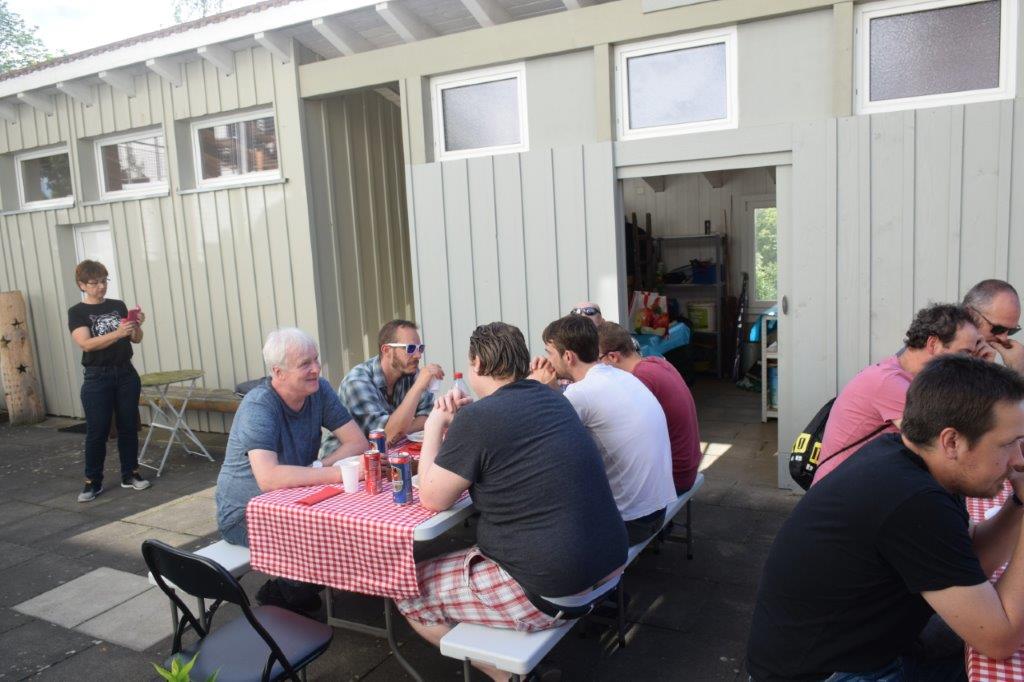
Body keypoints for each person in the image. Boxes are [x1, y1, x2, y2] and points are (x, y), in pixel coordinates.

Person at [747, 355, 1024, 682]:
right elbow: (999, 640)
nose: (1018, 459)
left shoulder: (906, 456)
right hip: (827, 674)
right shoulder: (912, 499)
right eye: (1008, 444)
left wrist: (1019, 502)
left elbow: (971, 559)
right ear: (952, 442)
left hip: (853, 651)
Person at [398, 322, 627, 682]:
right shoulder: (555, 398)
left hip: (555, 586)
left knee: (407, 588)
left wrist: (433, 429)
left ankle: (505, 676)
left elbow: (431, 496)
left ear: (476, 363)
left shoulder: (479, 417)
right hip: (609, 566)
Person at [215, 328, 369, 612]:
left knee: (352, 531)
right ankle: (279, 595)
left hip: (295, 502)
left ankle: (300, 591)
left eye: (316, 359)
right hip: (246, 513)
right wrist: (338, 473)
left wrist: (318, 466)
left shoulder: (319, 390)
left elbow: (357, 442)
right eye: (305, 364)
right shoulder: (259, 405)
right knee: (318, 546)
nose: (316, 369)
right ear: (279, 372)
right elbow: (269, 478)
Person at [532, 314, 676, 545]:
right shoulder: (621, 376)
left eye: (550, 353)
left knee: (541, 503)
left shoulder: (581, 393)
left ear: (568, 356)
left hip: (630, 523)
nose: (547, 361)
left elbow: (536, 435)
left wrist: (537, 388)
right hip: (657, 511)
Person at [813, 304, 981, 484]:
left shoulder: (909, 378)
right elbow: (941, 448)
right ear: (933, 344)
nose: (970, 363)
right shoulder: (889, 383)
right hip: (843, 491)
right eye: (965, 353)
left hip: (862, 484)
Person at [67, 260, 150, 503]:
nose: (101, 287)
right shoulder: (77, 312)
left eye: (104, 281)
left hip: (125, 373)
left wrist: (136, 326)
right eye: (94, 283)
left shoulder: (117, 305)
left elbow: (136, 339)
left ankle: (131, 474)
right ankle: (92, 482)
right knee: (97, 431)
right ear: (82, 285)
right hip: (97, 376)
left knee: (128, 426)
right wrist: (117, 333)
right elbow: (86, 344)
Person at [596, 321, 702, 494]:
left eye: (597, 360)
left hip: (674, 479)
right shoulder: (656, 362)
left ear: (613, 357)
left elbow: (625, 438)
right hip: (687, 467)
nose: (596, 367)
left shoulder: (639, 380)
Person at [338, 319, 442, 445]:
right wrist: (418, 386)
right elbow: (384, 437)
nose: (418, 355)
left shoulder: (409, 372)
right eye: (410, 348)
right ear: (386, 350)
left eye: (420, 348)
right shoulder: (357, 381)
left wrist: (400, 428)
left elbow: (428, 416)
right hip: (348, 456)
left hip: (387, 453)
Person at [964, 279, 1024, 373]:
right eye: (998, 329)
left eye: (1011, 331)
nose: (1004, 339)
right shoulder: (944, 352)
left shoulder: (987, 357)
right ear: (970, 315)